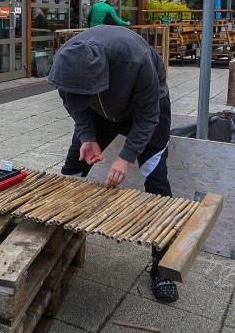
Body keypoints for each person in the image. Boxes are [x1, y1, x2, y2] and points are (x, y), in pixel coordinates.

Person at [46, 25, 178, 303]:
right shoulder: (65, 63)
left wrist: (125, 157)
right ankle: (58, 241)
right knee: (71, 171)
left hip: (146, 109)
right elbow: (73, 104)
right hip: (99, 112)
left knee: (156, 182)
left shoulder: (135, 59)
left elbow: (148, 118)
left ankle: (162, 265)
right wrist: (87, 136)